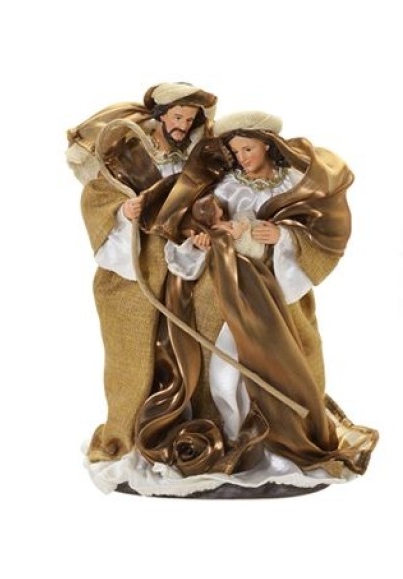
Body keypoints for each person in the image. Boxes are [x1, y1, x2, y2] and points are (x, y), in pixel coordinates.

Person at [121, 111, 378, 497]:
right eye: (235, 151)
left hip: (277, 290)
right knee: (223, 370)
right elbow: (199, 219)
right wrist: (206, 236)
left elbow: (323, 231)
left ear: (268, 146)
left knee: (281, 361)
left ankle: (275, 441)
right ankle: (232, 435)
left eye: (248, 149)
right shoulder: (225, 184)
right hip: (228, 287)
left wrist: (282, 236)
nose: (241, 158)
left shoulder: (294, 182)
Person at [67, 83, 218, 463]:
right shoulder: (126, 155)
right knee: (133, 354)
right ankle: (126, 434)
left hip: (186, 265)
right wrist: (124, 212)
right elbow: (97, 197)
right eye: (177, 117)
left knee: (194, 346)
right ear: (161, 116)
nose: (182, 125)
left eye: (189, 119)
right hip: (136, 270)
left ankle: (196, 425)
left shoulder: (197, 160)